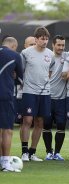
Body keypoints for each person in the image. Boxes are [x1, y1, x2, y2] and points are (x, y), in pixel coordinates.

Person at [20, 27, 54, 162]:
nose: (44, 41)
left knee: (40, 122)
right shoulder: (26, 53)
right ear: (36, 39)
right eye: (42, 39)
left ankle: (32, 152)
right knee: (27, 120)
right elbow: (20, 70)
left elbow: (49, 72)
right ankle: (24, 152)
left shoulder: (50, 54)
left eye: (46, 39)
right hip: (29, 91)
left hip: (45, 92)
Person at [43, 35, 69, 161]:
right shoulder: (47, 57)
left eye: (63, 45)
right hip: (47, 97)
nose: (61, 47)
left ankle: (57, 153)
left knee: (61, 125)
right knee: (46, 125)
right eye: (58, 45)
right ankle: (49, 152)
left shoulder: (68, 56)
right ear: (53, 45)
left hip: (62, 99)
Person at [0, 37, 23, 171]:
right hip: (5, 96)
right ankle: (6, 163)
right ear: (14, 45)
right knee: (7, 130)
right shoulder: (15, 55)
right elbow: (20, 78)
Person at [15, 36, 36, 125]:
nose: (33, 46)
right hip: (22, 94)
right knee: (22, 121)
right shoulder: (20, 57)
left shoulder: (41, 57)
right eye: (31, 44)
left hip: (36, 93)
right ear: (25, 45)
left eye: (35, 44)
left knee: (33, 121)